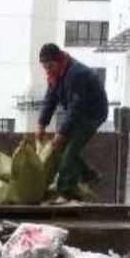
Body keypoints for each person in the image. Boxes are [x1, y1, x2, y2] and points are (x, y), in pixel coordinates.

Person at [35, 43, 109, 201]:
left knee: (67, 155)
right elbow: (50, 100)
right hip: (78, 113)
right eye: (45, 67)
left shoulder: (76, 74)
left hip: (92, 114)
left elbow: (76, 108)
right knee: (61, 148)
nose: (47, 70)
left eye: (50, 66)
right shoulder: (55, 75)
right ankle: (88, 175)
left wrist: (61, 133)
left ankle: (66, 191)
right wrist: (41, 124)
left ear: (58, 60)